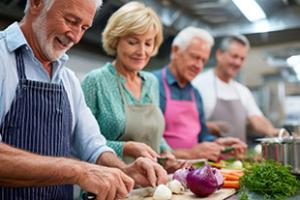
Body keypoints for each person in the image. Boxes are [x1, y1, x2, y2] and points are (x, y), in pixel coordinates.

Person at [0, 0, 168, 199]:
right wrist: (79, 170)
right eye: (71, 21)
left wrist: (125, 169)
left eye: (84, 27)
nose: (76, 36)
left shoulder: (67, 79)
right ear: (36, 3)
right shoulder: (3, 58)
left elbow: (93, 147)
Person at [81, 2, 184, 172]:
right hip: (109, 184)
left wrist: (166, 152)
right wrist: (125, 147)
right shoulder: (96, 81)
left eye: (148, 43)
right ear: (116, 40)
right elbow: (82, 142)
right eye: (133, 42)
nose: (141, 51)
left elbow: (153, 136)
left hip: (150, 183)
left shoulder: (151, 82)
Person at [153, 27, 247, 162]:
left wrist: (219, 145)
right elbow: (147, 143)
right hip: (161, 173)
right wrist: (190, 153)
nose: (198, 65)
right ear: (175, 50)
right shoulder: (152, 84)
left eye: (203, 60)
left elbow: (202, 136)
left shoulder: (195, 93)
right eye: (194, 57)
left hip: (192, 171)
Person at [192, 35, 279, 142]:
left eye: (242, 59)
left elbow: (256, 119)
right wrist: (207, 127)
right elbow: (188, 125)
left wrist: (276, 132)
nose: (237, 62)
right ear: (219, 54)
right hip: (208, 157)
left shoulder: (242, 91)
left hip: (239, 157)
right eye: (234, 56)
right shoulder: (199, 84)